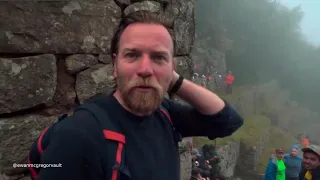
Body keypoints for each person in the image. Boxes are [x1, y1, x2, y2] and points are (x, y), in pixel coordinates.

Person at [29, 11, 243, 180]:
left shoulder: (166, 114)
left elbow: (227, 121)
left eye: (159, 57)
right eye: (132, 55)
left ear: (172, 69)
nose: (145, 69)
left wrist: (175, 82)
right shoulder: (79, 136)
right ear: (115, 66)